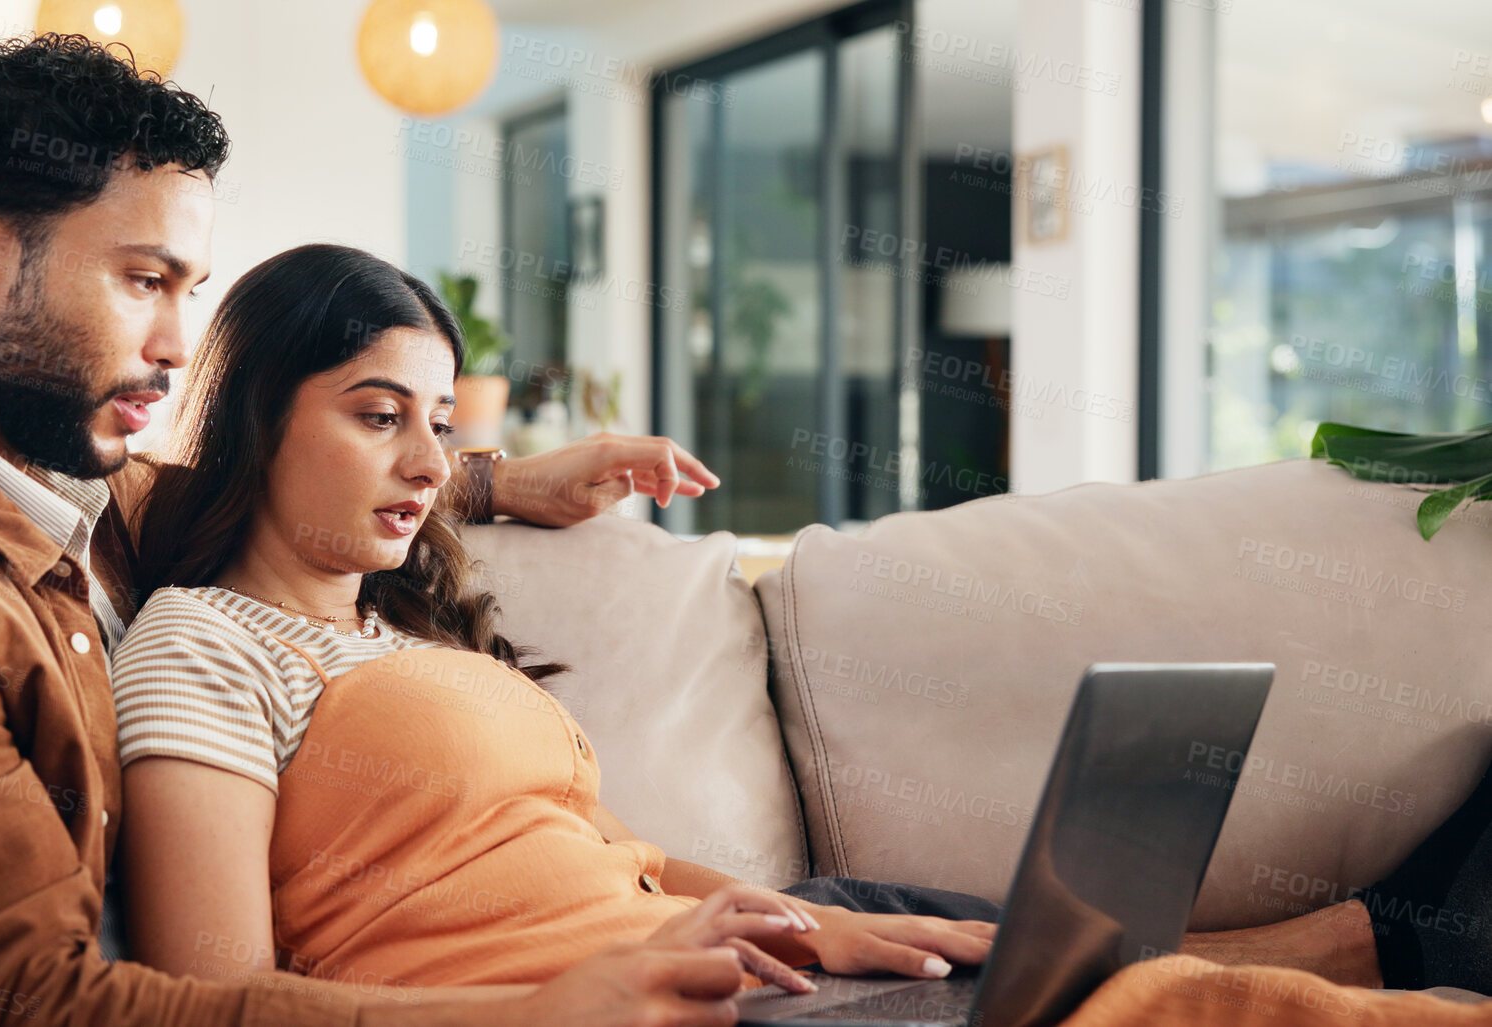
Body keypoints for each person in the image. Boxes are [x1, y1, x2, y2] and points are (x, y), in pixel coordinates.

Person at [0, 33, 770, 1027]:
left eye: (188, 288)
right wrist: (532, 1011)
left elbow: (279, 479)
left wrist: (508, 480)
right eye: (141, 279)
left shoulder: (68, 481)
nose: (175, 342)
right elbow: (25, 1006)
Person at [111, 242, 998, 996]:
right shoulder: (204, 643)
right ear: (253, 421)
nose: (428, 465)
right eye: (380, 416)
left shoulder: (408, 629)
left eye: (442, 424)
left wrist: (802, 924)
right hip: (587, 1001)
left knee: (1079, 955)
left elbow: (631, 862)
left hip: (710, 968)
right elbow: (213, 1000)